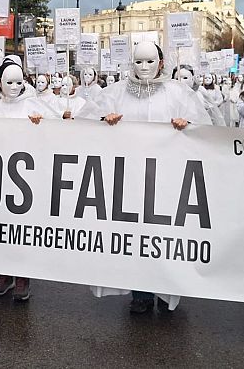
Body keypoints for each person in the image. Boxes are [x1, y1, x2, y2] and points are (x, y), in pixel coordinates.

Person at [82, 42, 210, 314]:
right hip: (129, 178)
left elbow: (205, 126)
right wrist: (104, 120)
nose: (144, 68)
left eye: (150, 62)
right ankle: (141, 293)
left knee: (166, 233)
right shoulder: (115, 93)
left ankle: (167, 291)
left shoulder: (178, 93)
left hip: (168, 178)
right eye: (138, 62)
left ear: (161, 63)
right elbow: (86, 121)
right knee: (136, 234)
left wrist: (187, 126)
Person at [0, 58, 57, 301]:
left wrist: (41, 124)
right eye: (9, 82)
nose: (14, 87)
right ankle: (3, 274)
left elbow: (60, 128)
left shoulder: (33, 105)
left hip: (25, 179)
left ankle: (22, 277)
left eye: (19, 82)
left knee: (22, 228)